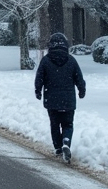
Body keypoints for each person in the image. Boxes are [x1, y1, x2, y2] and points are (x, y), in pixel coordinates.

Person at [35, 32, 86, 163]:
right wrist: (81, 90)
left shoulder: (46, 60)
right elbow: (79, 78)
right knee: (68, 124)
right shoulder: (71, 60)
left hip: (52, 100)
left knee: (55, 124)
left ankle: (58, 147)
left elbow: (39, 77)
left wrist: (38, 91)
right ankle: (66, 142)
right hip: (68, 100)